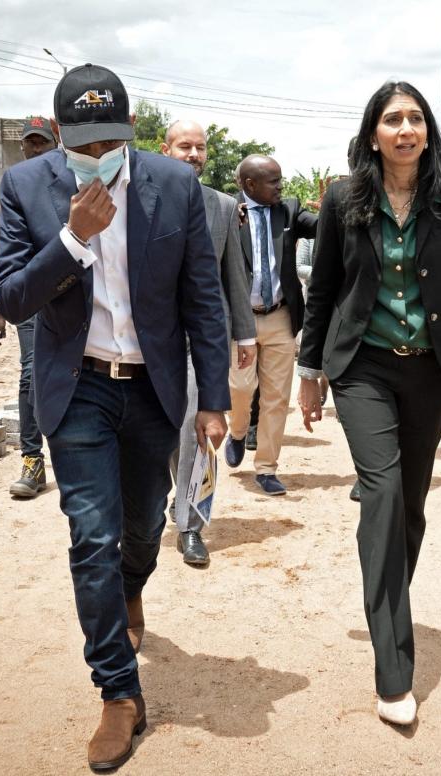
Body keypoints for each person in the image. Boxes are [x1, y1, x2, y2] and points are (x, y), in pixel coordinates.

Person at [0, 64, 230, 771]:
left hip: (153, 388)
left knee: (141, 528)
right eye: (84, 141)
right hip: (79, 388)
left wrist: (213, 400)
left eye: (111, 140)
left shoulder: (175, 185)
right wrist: (70, 240)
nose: (99, 156)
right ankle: (119, 692)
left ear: (130, 131)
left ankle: (131, 588)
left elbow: (202, 302)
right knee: (90, 537)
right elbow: (10, 298)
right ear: (60, 133)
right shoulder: (25, 187)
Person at [296, 81, 441, 726]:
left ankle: (389, 597)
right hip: (362, 368)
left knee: (409, 508)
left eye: (415, 119)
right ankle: (393, 665)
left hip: (433, 373)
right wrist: (309, 367)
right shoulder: (342, 198)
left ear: (427, 131)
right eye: (393, 120)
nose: (405, 129)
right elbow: (324, 286)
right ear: (373, 132)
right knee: (380, 492)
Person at [160, 119, 255, 566]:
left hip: (205, 340)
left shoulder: (221, 206)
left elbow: (233, 274)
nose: (194, 155)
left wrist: (245, 333)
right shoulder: (145, 200)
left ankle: (192, 523)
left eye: (200, 148)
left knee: (200, 430)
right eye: (185, 147)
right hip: (153, 340)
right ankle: (167, 499)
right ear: (165, 150)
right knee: (162, 430)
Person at [221, 155, 318, 496]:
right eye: (273, 181)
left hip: (280, 317)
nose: (281, 187)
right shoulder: (226, 209)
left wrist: (336, 207)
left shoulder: (288, 209)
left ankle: (266, 468)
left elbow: (321, 226)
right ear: (249, 185)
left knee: (276, 398)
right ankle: (236, 431)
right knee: (240, 388)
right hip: (240, 321)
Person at [0, 116, 57, 499]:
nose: (34, 150)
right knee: (30, 374)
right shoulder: (16, 187)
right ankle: (32, 462)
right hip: (31, 299)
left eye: (41, 143)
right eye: (30, 144)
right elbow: (7, 255)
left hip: (69, 297)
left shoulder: (67, 182)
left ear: (55, 145)